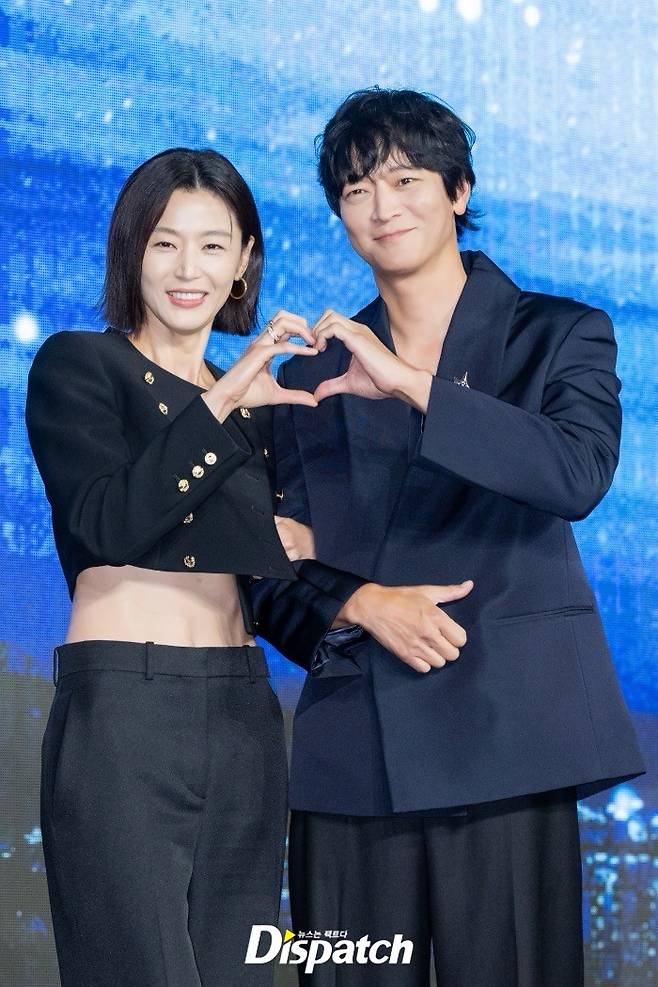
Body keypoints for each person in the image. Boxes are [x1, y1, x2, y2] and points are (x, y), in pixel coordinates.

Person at [251, 89, 645, 986]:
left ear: (458, 190)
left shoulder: (558, 333)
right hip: (353, 749)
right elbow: (268, 561)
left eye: (405, 180)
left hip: (507, 737)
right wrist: (358, 600)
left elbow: (576, 473)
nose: (382, 207)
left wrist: (412, 385)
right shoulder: (310, 370)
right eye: (356, 190)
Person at [24, 147, 359, 987]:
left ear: (244, 260)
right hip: (126, 708)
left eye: (213, 245)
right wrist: (223, 398)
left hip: (244, 713)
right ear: (131, 250)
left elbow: (269, 584)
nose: (188, 269)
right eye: (164, 243)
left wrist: (349, 582)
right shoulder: (78, 364)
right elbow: (109, 521)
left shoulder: (258, 406)